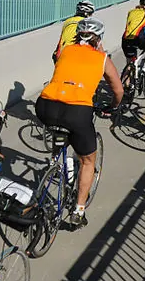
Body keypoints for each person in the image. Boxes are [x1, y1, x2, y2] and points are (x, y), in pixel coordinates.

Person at [36, 18, 124, 228]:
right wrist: (113, 106)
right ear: (99, 39)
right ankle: (78, 210)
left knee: (60, 132)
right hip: (76, 110)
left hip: (45, 105)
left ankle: (56, 162)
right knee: (87, 161)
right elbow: (118, 90)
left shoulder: (65, 50)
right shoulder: (102, 58)